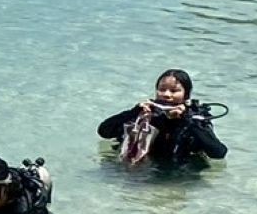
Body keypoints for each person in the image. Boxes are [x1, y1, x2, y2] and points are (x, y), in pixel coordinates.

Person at [98, 69, 228, 167]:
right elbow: (104, 132)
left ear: (186, 95)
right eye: (162, 89)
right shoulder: (146, 114)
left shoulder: (195, 118)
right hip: (145, 168)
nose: (166, 95)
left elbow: (218, 153)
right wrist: (134, 111)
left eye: (174, 91)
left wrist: (185, 120)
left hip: (180, 172)